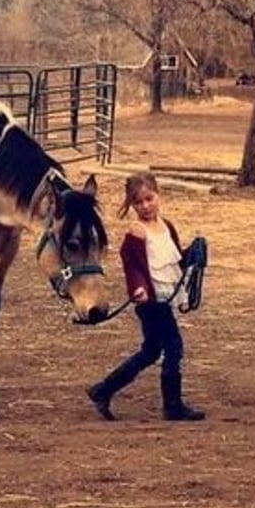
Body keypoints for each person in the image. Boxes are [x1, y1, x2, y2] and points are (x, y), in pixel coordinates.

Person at [86, 172, 205, 421]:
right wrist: (138, 288)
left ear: (157, 195)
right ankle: (172, 406)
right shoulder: (136, 232)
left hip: (165, 296)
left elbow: (171, 259)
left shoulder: (166, 225)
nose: (146, 206)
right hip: (150, 300)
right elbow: (132, 265)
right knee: (173, 347)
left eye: (149, 199)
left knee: (151, 351)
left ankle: (103, 389)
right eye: (138, 203)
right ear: (132, 205)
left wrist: (191, 254)